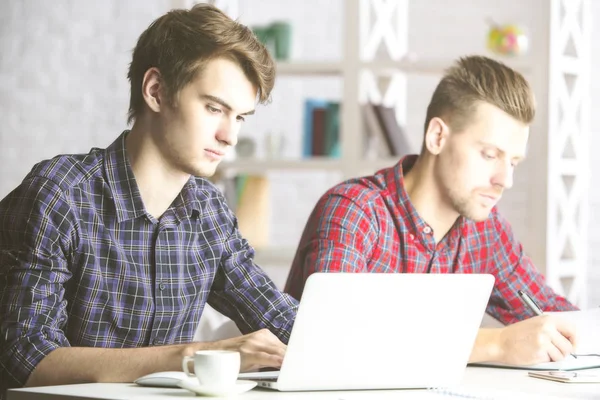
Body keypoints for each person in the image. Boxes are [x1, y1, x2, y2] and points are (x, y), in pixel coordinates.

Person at [0, 4, 297, 395]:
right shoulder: (58, 194)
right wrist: (197, 356)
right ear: (156, 91)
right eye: (213, 108)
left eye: (240, 117)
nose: (230, 137)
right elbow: (26, 354)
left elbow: (277, 315)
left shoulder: (209, 213)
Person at [284, 55, 579, 367]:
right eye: (490, 154)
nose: (505, 179)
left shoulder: (486, 230)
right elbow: (332, 335)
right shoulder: (353, 211)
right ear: (438, 136)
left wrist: (564, 333)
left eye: (513, 162)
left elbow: (554, 314)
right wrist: (497, 344)